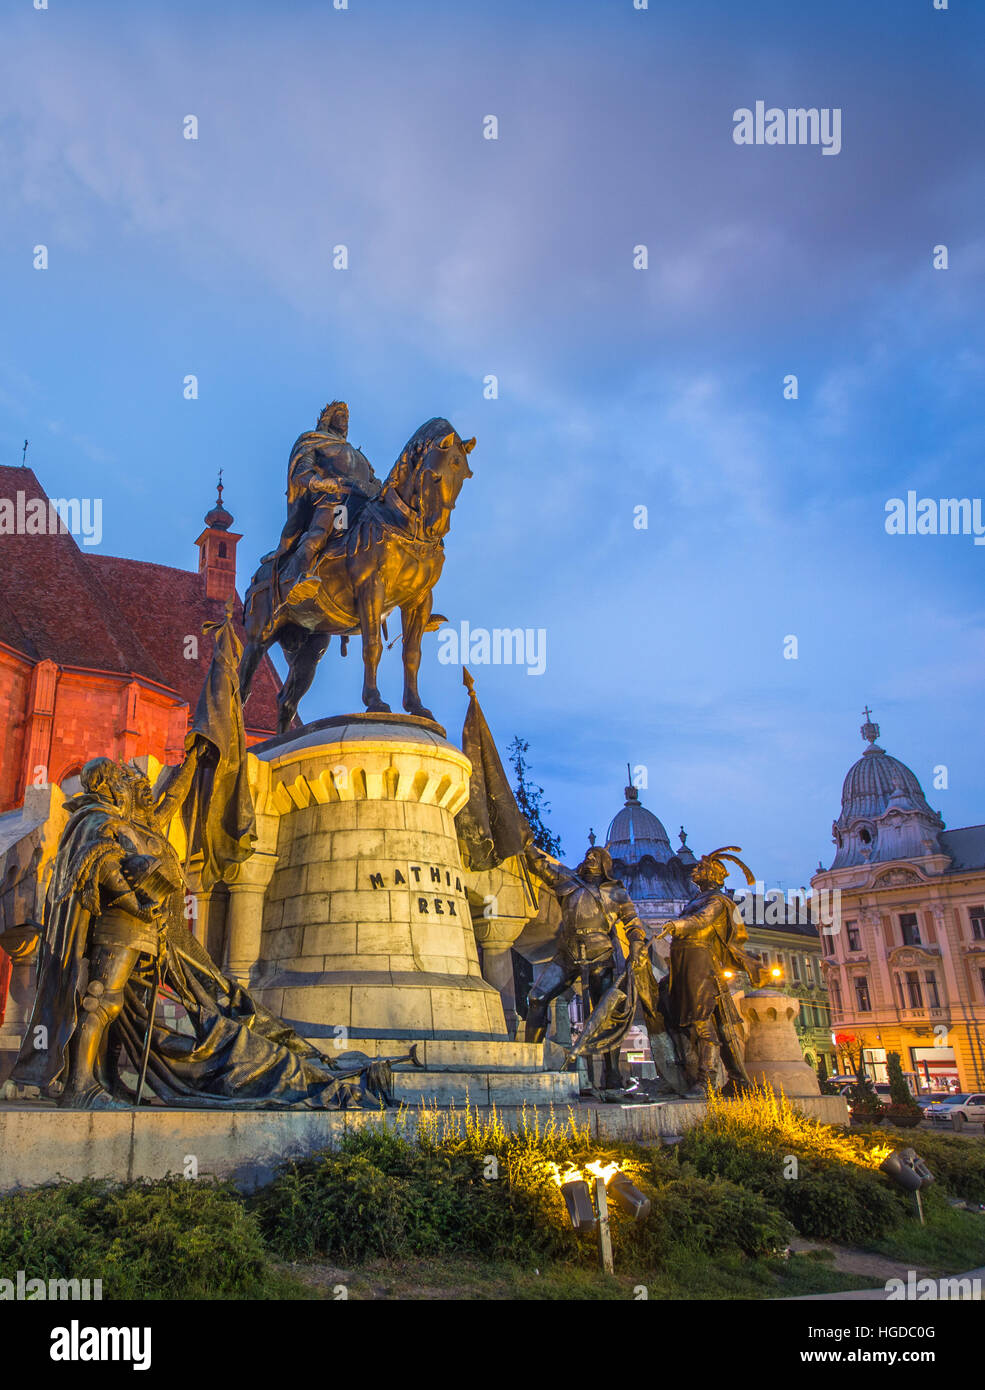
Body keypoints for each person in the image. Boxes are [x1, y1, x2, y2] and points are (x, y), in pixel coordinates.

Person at [520, 828, 646, 1092]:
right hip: (568, 954)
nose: (589, 859)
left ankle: (611, 1076)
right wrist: (525, 841)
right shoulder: (567, 881)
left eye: (595, 857)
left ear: (604, 865)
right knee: (536, 997)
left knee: (604, 1015)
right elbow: (540, 865)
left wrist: (636, 944)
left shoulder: (617, 893)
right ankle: (530, 1062)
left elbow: (633, 924)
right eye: (588, 855)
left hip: (601, 955)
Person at [655, 845, 769, 1097]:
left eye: (702, 868)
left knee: (703, 1020)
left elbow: (702, 921)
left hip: (700, 964)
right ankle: (731, 1079)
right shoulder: (696, 899)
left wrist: (676, 924)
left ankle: (706, 1080)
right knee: (674, 1008)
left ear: (714, 875)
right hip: (684, 963)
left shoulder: (717, 901)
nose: (696, 869)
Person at [265, 399, 382, 595]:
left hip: (363, 505)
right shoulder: (315, 441)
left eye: (347, 417)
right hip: (337, 502)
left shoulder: (358, 455)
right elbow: (301, 473)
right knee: (320, 536)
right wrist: (320, 483)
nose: (345, 420)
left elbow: (374, 481)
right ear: (328, 418)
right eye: (340, 415)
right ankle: (300, 579)